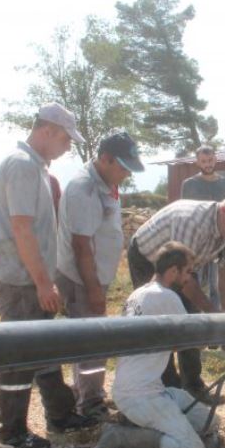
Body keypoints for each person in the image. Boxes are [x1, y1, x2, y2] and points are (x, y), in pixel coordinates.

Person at [0, 102, 97, 448]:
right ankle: (12, 433)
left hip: (31, 278)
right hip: (21, 282)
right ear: (48, 130)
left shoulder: (35, 168)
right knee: (19, 357)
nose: (67, 147)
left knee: (44, 349)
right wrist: (42, 282)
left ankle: (60, 414)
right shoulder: (21, 167)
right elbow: (21, 229)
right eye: (65, 139)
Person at [127, 192, 225, 403]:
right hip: (147, 258)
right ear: (223, 210)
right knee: (160, 322)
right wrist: (213, 313)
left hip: (183, 269)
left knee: (189, 320)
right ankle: (169, 387)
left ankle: (193, 385)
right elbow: (182, 275)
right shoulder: (192, 221)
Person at [55, 132, 144, 419]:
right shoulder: (85, 189)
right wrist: (93, 289)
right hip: (82, 279)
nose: (127, 173)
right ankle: (90, 405)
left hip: (94, 277)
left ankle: (89, 393)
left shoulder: (106, 183)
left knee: (89, 340)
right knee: (92, 342)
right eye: (123, 167)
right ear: (105, 159)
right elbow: (81, 246)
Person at [109, 241, 218, 448]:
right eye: (187, 272)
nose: (189, 279)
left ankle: (144, 427)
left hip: (149, 389)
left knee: (210, 423)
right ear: (173, 271)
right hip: (140, 396)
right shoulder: (165, 297)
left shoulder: (138, 293)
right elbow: (189, 341)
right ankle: (121, 437)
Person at [180, 145, 225, 310]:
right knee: (194, 278)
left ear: (215, 159)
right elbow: (184, 211)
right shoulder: (189, 184)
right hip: (197, 239)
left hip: (219, 239)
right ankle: (195, 313)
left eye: (210, 160)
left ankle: (217, 316)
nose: (207, 164)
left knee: (216, 283)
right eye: (203, 161)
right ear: (197, 162)